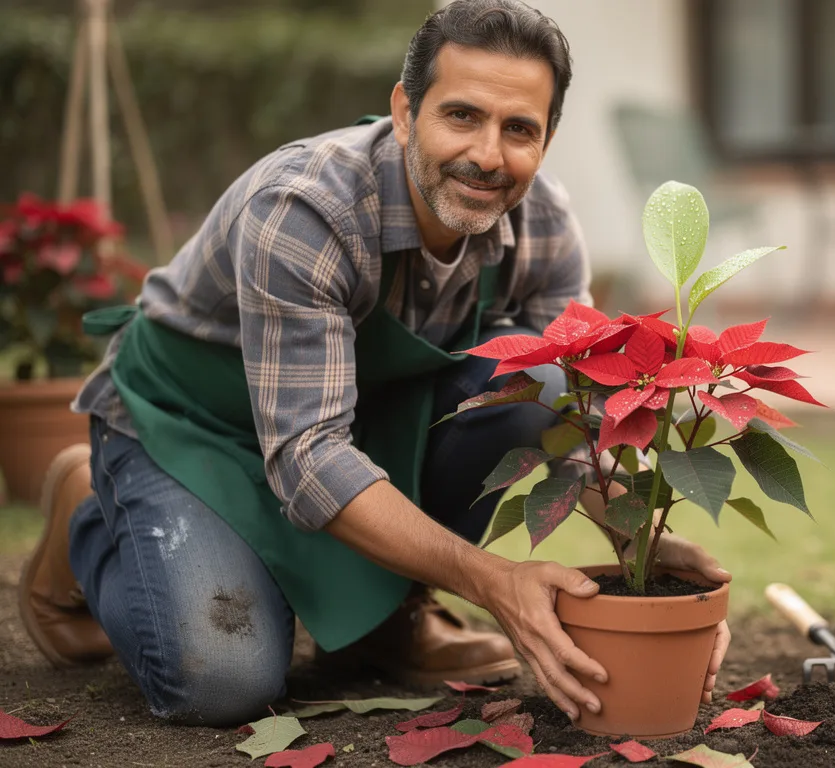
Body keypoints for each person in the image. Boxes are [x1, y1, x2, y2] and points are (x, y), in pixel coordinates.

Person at [20, 0, 730, 728]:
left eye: (519, 128)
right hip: (193, 425)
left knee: (541, 385)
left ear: (547, 139)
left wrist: (643, 545)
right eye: (461, 116)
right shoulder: (306, 210)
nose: (488, 155)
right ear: (404, 110)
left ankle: (385, 620)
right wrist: (493, 581)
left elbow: (579, 413)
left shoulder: (541, 222)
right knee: (221, 682)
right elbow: (306, 455)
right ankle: (91, 512)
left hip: (355, 418)